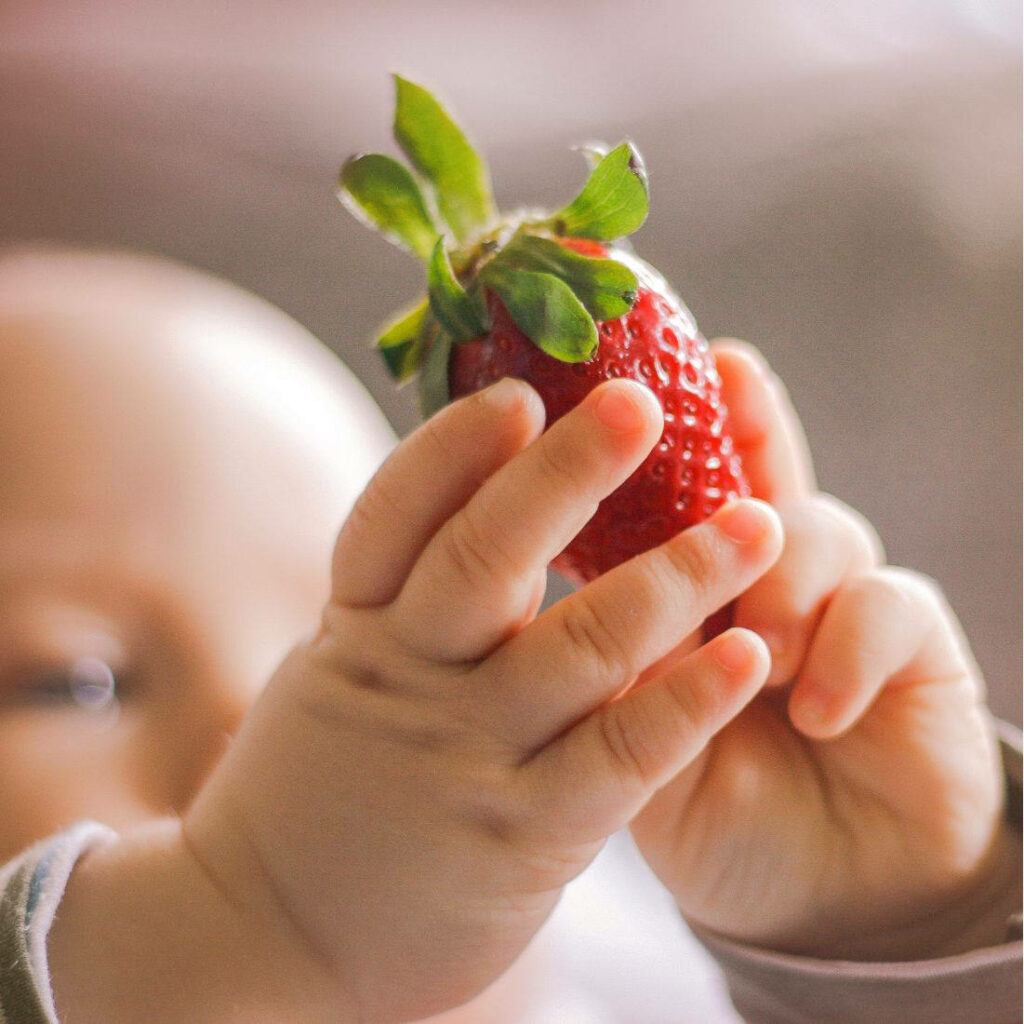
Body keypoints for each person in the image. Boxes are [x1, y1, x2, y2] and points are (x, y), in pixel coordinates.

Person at [0, 247, 1019, 1024]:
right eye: (77, 680)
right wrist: (255, 914)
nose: (282, 731)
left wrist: (897, 939)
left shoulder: (613, 953)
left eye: (368, 644)